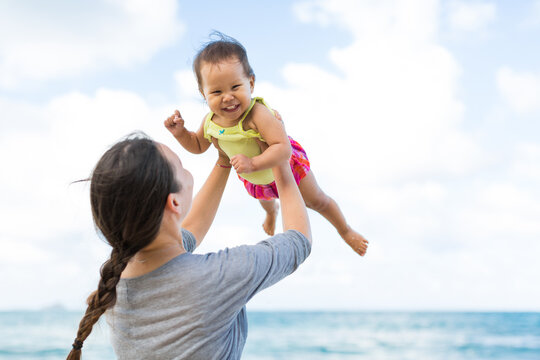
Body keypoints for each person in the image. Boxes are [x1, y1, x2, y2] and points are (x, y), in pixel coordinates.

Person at [66, 132, 311, 360]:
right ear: (173, 201)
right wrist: (280, 158)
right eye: (181, 167)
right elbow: (299, 240)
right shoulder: (216, 277)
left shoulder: (117, 281)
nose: (187, 171)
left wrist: (223, 161)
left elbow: (188, 230)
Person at [166, 32, 368, 256]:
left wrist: (254, 163)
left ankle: (345, 230)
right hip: (255, 176)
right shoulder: (210, 122)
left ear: (250, 83)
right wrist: (181, 133)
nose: (227, 97)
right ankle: (271, 212)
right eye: (216, 91)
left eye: (235, 87)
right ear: (203, 92)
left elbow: (283, 149)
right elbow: (197, 145)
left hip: (284, 167)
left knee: (317, 200)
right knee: (265, 199)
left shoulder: (257, 115)